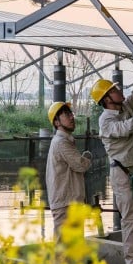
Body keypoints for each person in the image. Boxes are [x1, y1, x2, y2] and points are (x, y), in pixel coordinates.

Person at [92, 65, 133, 264]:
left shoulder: (125, 108)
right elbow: (125, 128)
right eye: (114, 90)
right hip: (122, 173)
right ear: (106, 99)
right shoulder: (106, 120)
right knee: (131, 219)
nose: (119, 92)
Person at [44, 101, 92, 238]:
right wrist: (87, 157)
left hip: (69, 202)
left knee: (73, 249)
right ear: (57, 122)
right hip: (65, 204)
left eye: (71, 113)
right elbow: (80, 165)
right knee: (64, 250)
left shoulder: (64, 141)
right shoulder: (61, 142)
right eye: (66, 114)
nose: (71, 117)